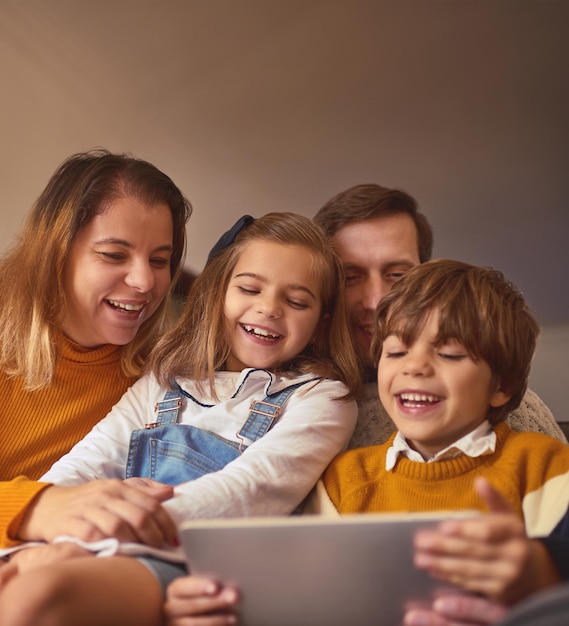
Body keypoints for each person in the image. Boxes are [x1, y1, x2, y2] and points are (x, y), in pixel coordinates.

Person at [0, 212, 361, 626]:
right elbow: (92, 458)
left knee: (36, 598)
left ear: (320, 323)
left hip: (184, 559)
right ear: (217, 294)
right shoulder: (165, 376)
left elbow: (247, 491)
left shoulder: (323, 397)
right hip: (92, 542)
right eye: (249, 288)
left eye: (297, 301)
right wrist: (45, 526)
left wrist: (94, 538)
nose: (268, 308)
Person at [308, 259, 569, 616]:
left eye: (449, 354)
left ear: (501, 386)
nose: (413, 366)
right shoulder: (343, 479)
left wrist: (541, 573)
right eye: (397, 351)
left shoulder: (547, 466)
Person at [0, 149, 192, 551]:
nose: (144, 281)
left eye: (160, 260)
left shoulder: (165, 376)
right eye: (113, 255)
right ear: (56, 252)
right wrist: (39, 506)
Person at [313, 183, 566, 448]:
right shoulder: (290, 398)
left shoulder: (505, 406)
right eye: (350, 277)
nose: (376, 300)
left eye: (397, 275)